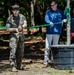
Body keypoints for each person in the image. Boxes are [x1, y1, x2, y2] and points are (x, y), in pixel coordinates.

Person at [43, 0, 67, 68]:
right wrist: (49, 22)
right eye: (51, 5)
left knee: (55, 47)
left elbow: (65, 18)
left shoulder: (60, 12)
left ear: (56, 5)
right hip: (49, 32)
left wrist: (64, 20)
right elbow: (46, 19)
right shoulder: (48, 12)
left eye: (53, 5)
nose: (52, 7)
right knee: (47, 47)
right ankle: (45, 62)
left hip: (57, 32)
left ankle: (54, 62)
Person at [6, 4, 27, 72]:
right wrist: (15, 29)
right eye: (14, 10)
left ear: (18, 10)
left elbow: (25, 24)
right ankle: (12, 66)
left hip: (21, 36)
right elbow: (7, 29)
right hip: (13, 37)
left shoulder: (22, 17)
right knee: (13, 51)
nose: (15, 12)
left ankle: (19, 65)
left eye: (17, 10)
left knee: (21, 51)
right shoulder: (9, 18)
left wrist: (22, 26)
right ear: (12, 11)